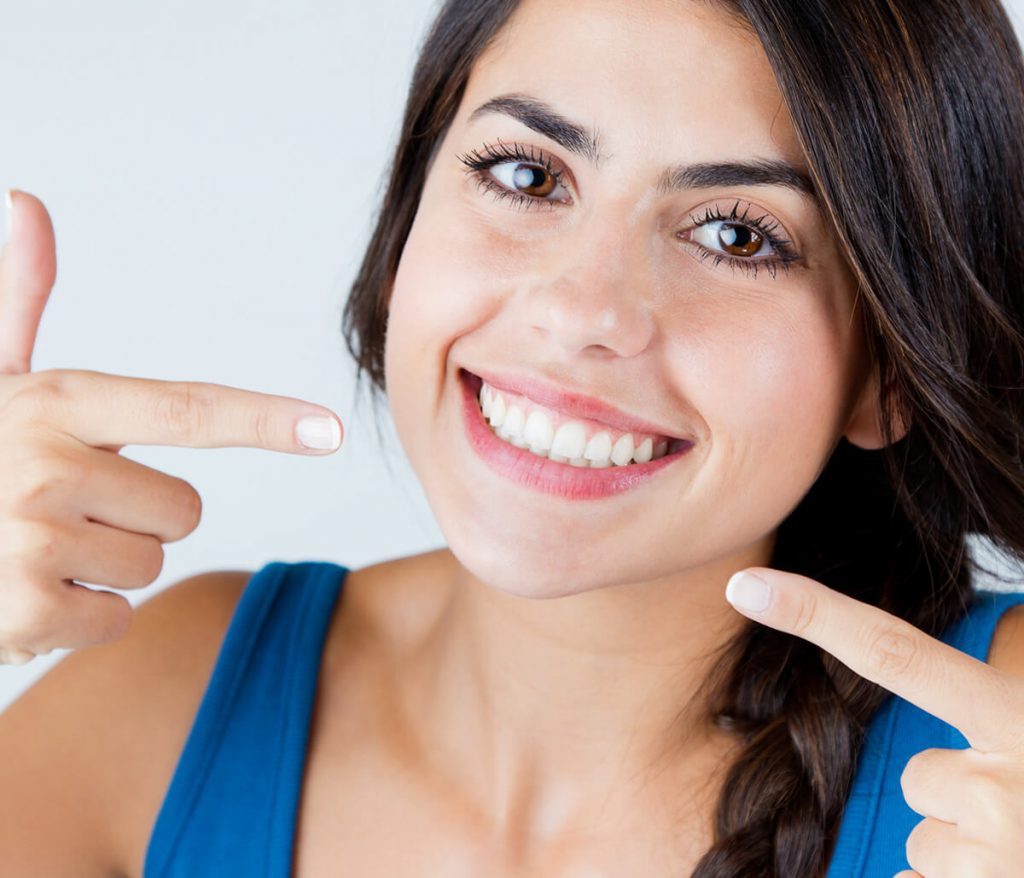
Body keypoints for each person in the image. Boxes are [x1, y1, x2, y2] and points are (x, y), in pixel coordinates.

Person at [2, 0, 1024, 875]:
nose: (582, 310)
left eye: (736, 234)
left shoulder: (1003, 737)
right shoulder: (160, 706)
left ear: (890, 365)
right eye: (528, 176)